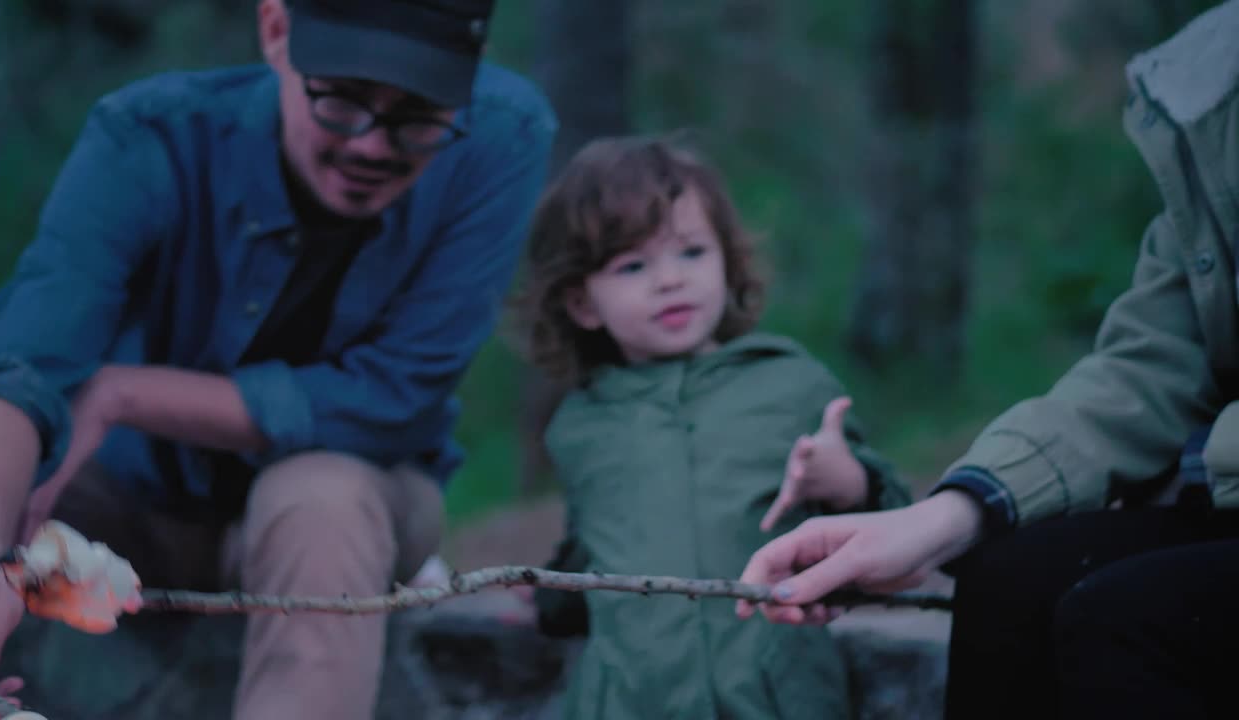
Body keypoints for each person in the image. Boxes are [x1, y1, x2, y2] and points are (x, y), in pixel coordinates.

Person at [0, 0, 556, 718]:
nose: (372, 145)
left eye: (418, 115)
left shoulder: (501, 136)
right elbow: (21, 362)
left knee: (320, 497)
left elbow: (397, 394)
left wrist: (126, 392)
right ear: (277, 31)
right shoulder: (152, 134)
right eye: (341, 99)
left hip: (351, 511)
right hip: (120, 500)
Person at [736, 2, 1239, 718]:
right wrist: (942, 518)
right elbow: (1150, 367)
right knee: (1011, 580)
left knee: (1124, 619)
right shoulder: (1212, 89)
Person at [513, 135, 912, 719]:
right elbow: (594, 553)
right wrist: (548, 595)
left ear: (728, 259)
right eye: (633, 265)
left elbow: (898, 528)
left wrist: (848, 481)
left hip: (775, 698)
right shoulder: (582, 425)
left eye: (692, 253)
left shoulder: (788, 385)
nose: (670, 280)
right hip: (627, 704)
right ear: (582, 304)